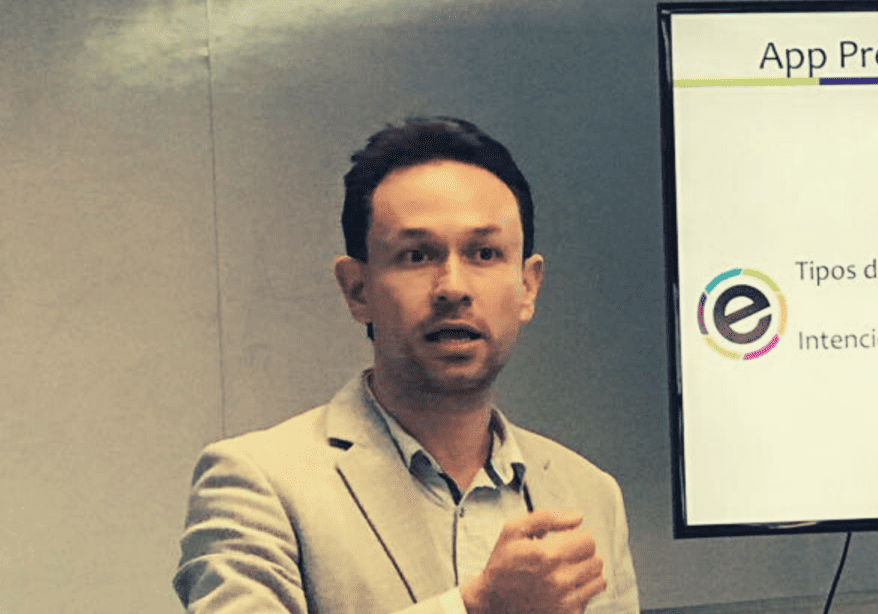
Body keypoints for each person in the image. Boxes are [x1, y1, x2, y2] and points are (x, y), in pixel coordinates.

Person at [174, 117, 638, 614]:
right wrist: (475, 608)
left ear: (527, 286)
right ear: (357, 290)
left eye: (484, 253)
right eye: (416, 255)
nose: (453, 287)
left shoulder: (590, 494)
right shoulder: (257, 483)